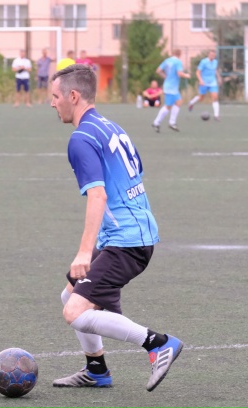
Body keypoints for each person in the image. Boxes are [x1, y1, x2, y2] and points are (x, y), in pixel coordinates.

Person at [50, 64, 183, 391]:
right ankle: (96, 370)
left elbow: (98, 195)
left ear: (73, 96)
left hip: (127, 242)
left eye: (55, 96)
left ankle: (158, 343)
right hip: (129, 233)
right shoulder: (111, 127)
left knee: (74, 311)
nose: (52, 103)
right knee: (69, 293)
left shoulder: (81, 138)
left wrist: (84, 253)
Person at [152, 49, 191, 132]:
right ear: (180, 54)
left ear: (173, 53)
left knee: (179, 102)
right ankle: (157, 122)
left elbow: (158, 71)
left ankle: (172, 122)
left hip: (169, 86)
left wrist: (165, 77)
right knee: (168, 106)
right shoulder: (178, 62)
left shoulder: (167, 60)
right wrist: (186, 75)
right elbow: (179, 73)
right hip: (171, 88)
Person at [188, 49, 222, 120]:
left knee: (215, 97)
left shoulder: (215, 62)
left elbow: (215, 70)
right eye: (211, 55)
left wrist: (219, 77)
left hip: (213, 82)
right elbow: (198, 72)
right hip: (204, 82)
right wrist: (200, 80)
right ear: (208, 55)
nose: (212, 56)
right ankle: (191, 103)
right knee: (201, 98)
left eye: (214, 55)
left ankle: (216, 116)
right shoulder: (204, 62)